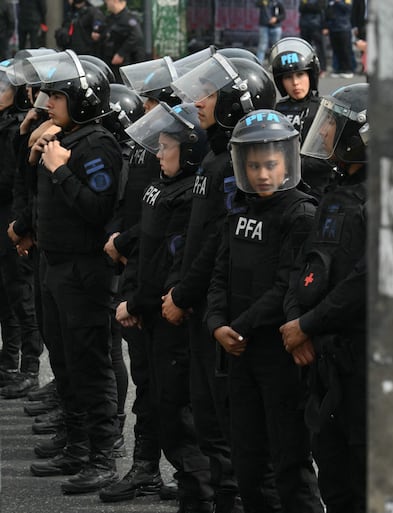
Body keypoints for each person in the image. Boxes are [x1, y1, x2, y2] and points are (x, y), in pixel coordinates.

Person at [168, 52, 278, 512]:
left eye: (209, 94)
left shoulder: (231, 166)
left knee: (230, 429)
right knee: (210, 419)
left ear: (235, 100)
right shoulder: (216, 157)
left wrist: (183, 294)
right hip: (204, 309)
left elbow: (218, 246)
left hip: (220, 313)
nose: (198, 102)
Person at [206, 109, 323, 513]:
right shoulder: (241, 209)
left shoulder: (301, 213)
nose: (261, 174)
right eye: (253, 165)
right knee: (248, 462)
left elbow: (285, 287)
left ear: (287, 162)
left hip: (277, 356)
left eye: (270, 164)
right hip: (240, 354)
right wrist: (215, 323)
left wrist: (235, 328)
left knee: (289, 463)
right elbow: (220, 272)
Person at [23, 50, 122, 495]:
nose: (49, 104)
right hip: (56, 265)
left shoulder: (96, 144)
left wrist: (61, 170)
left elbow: (98, 208)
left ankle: (102, 454)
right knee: (63, 360)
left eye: (57, 98)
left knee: (90, 363)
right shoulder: (61, 136)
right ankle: (77, 443)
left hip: (85, 271)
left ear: (81, 100)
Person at [116, 101, 215, 513]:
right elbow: (145, 251)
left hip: (169, 317)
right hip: (147, 310)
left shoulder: (189, 196)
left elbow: (169, 263)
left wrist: (139, 300)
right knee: (159, 403)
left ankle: (201, 494)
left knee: (178, 413)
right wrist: (131, 297)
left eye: (167, 146)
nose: (159, 153)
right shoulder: (160, 186)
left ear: (189, 151)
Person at [280, 83, 369, 513]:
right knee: (332, 476)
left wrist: (306, 326)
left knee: (364, 476)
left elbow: (365, 281)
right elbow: (308, 262)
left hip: (364, 367)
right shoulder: (334, 190)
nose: (326, 129)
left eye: (335, 123)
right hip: (325, 363)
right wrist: (297, 315)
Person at [0, 60, 44, 400]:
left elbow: (13, 179)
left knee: (22, 293)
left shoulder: (16, 125)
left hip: (14, 218)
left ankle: (29, 366)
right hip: (9, 216)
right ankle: (9, 362)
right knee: (8, 292)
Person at [268, 37, 334, 199]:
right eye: (288, 77)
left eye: (300, 74)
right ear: (280, 81)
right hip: (280, 188)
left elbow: (331, 156)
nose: (295, 83)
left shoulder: (326, 109)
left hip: (317, 188)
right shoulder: (275, 110)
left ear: (311, 76)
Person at [100, 0, 145, 83]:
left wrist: (121, 54)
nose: (106, 2)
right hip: (110, 61)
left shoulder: (128, 18)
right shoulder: (110, 18)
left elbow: (136, 36)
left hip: (125, 64)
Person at [323, 0, 354, 78]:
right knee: (336, 50)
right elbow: (326, 12)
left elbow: (348, 9)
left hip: (344, 28)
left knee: (345, 50)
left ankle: (348, 69)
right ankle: (339, 69)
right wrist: (326, 26)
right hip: (333, 28)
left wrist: (338, 2)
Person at [298, 0, 326, 75]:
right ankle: (306, 67)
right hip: (304, 25)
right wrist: (310, 6)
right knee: (305, 48)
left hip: (316, 25)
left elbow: (319, 7)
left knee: (320, 48)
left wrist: (307, 5)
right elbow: (301, 8)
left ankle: (322, 68)